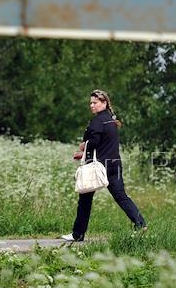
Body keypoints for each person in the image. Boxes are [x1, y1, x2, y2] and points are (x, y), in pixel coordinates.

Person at [61, 89, 147, 243]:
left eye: (95, 102)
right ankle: (141, 224)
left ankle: (77, 234)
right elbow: (105, 144)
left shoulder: (97, 122)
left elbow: (93, 142)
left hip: (99, 167)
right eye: (90, 103)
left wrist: (82, 148)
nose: (92, 106)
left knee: (85, 200)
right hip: (114, 165)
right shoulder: (112, 121)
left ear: (104, 103)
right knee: (121, 196)